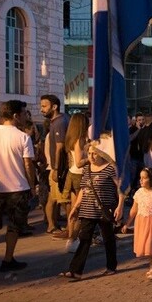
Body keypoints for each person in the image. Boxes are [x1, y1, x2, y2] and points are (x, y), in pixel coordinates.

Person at [59, 136, 125, 280]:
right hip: (88, 209)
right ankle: (75, 271)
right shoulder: (87, 169)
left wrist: (120, 206)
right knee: (84, 238)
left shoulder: (110, 169)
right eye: (89, 153)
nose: (91, 156)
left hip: (104, 210)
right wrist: (76, 207)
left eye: (94, 153)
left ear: (102, 154)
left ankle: (111, 266)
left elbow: (121, 188)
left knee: (108, 239)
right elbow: (83, 189)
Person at [0, 101, 36, 272]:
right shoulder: (23, 137)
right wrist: (32, 186)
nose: (26, 117)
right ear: (15, 116)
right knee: (14, 226)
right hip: (18, 188)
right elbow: (28, 165)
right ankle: (8, 259)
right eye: (24, 113)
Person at [121, 167, 152, 281]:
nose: (141, 180)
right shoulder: (138, 193)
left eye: (144, 178)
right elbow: (133, 210)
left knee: (150, 246)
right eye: (140, 178)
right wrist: (127, 224)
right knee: (146, 247)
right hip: (141, 223)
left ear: (151, 179)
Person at [54, 113, 90, 253]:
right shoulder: (79, 140)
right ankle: (73, 239)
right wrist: (92, 157)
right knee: (79, 211)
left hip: (73, 174)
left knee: (74, 209)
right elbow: (80, 162)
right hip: (79, 176)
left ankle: (72, 238)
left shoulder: (71, 138)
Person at [40, 94, 69, 235]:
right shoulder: (57, 121)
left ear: (54, 107)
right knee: (59, 199)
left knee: (60, 198)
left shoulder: (59, 122)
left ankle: (57, 225)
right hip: (56, 168)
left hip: (59, 168)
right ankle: (53, 225)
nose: (41, 109)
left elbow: (60, 147)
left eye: (44, 106)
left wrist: (56, 168)